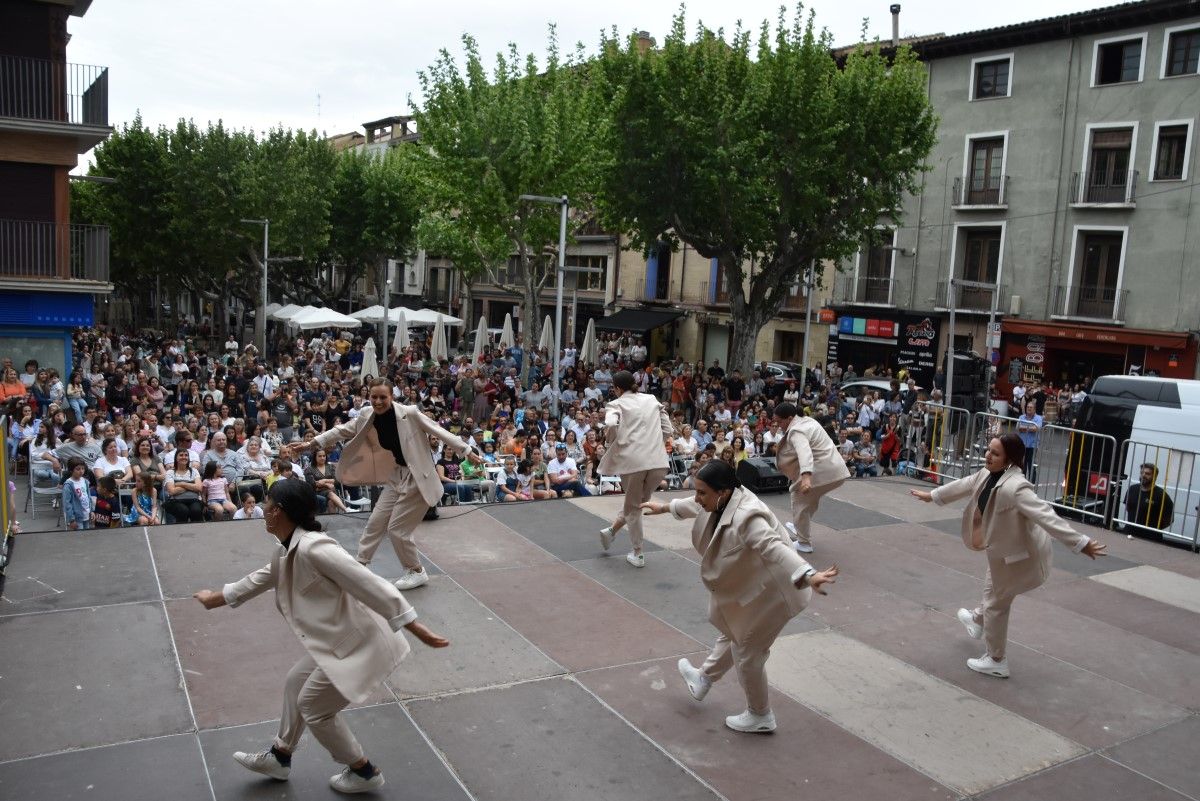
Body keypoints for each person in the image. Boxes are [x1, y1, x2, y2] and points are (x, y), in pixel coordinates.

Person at [192, 480, 451, 794]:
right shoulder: (285, 551)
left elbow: (368, 583)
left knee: (314, 707)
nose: (264, 512)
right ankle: (280, 756)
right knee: (294, 682)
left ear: (281, 512)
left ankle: (363, 770)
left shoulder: (316, 547)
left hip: (361, 644)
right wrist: (213, 598)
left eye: (269, 506)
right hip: (337, 642)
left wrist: (413, 624)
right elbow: (255, 581)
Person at [640, 461, 837, 733]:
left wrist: (807, 573)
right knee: (735, 630)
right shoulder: (721, 497)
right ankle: (703, 679)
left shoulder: (748, 516)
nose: (698, 498)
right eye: (697, 491)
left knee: (747, 653)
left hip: (777, 593)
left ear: (722, 492)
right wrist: (664, 507)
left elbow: (774, 547)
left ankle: (760, 715)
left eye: (702, 493)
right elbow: (694, 504)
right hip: (756, 587)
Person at [910, 432, 1106, 678]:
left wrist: (1080, 543)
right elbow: (967, 483)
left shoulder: (1016, 487)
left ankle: (996, 659)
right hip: (1002, 553)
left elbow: (1046, 516)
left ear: (1010, 459)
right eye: (988, 450)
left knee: (996, 604)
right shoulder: (987, 473)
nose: (988, 455)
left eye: (995, 453)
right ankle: (978, 621)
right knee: (992, 589)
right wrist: (933, 496)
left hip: (1020, 559)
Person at [294, 378, 482, 591]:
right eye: (374, 397)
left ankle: (416, 571)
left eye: (383, 397)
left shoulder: (409, 413)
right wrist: (312, 443)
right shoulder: (366, 415)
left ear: (392, 397)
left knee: (397, 530)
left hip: (418, 477)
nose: (378, 401)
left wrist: (466, 450)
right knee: (376, 520)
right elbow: (342, 430)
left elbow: (438, 431)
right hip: (397, 475)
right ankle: (361, 564)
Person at [597, 370, 673, 568]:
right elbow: (668, 429)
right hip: (658, 461)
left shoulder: (616, 403)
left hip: (633, 462)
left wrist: (610, 441)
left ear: (616, 388)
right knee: (637, 502)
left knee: (634, 507)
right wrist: (655, 444)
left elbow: (611, 424)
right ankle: (611, 531)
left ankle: (638, 553)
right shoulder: (652, 399)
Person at [772, 403, 850, 554]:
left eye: (780, 422)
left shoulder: (796, 431)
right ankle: (800, 526)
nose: (778, 425)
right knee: (809, 501)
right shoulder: (808, 421)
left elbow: (804, 452)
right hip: (834, 470)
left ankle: (804, 543)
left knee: (798, 499)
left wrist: (806, 477)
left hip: (821, 471)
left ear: (789, 418)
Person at [1122, 462, 1175, 536]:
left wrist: (1154, 530)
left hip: (1150, 537)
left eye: (1147, 474)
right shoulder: (1132, 489)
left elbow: (1169, 519)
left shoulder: (1162, 495)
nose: (1143, 475)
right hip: (1129, 533)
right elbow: (1128, 508)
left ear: (1155, 477)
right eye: (1142, 473)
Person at [164, 448, 206, 523]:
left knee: (196, 510)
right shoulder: (170, 472)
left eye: (186, 455)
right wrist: (192, 486)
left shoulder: (194, 471)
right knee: (183, 510)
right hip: (176, 500)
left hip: (194, 499)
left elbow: (199, 488)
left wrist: (181, 484)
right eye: (181, 455)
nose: (184, 457)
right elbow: (172, 491)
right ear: (176, 458)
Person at [62, 458, 93, 530]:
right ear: (71, 470)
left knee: (87, 535)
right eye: (78, 469)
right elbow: (67, 503)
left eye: (83, 468)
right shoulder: (68, 485)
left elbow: (89, 497)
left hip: (86, 515)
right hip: (77, 517)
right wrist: (72, 519)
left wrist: (91, 511)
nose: (81, 471)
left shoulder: (85, 481)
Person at [1015, 401, 1042, 482]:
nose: (1029, 409)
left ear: (1034, 409)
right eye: (1028, 407)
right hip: (1022, 445)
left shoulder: (1038, 418)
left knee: (1031, 466)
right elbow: (1018, 427)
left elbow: (1036, 428)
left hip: (1033, 445)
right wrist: (1030, 427)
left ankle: (1032, 484)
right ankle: (1021, 482)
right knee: (1022, 465)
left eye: (1031, 407)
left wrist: (1024, 427)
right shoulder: (1021, 417)